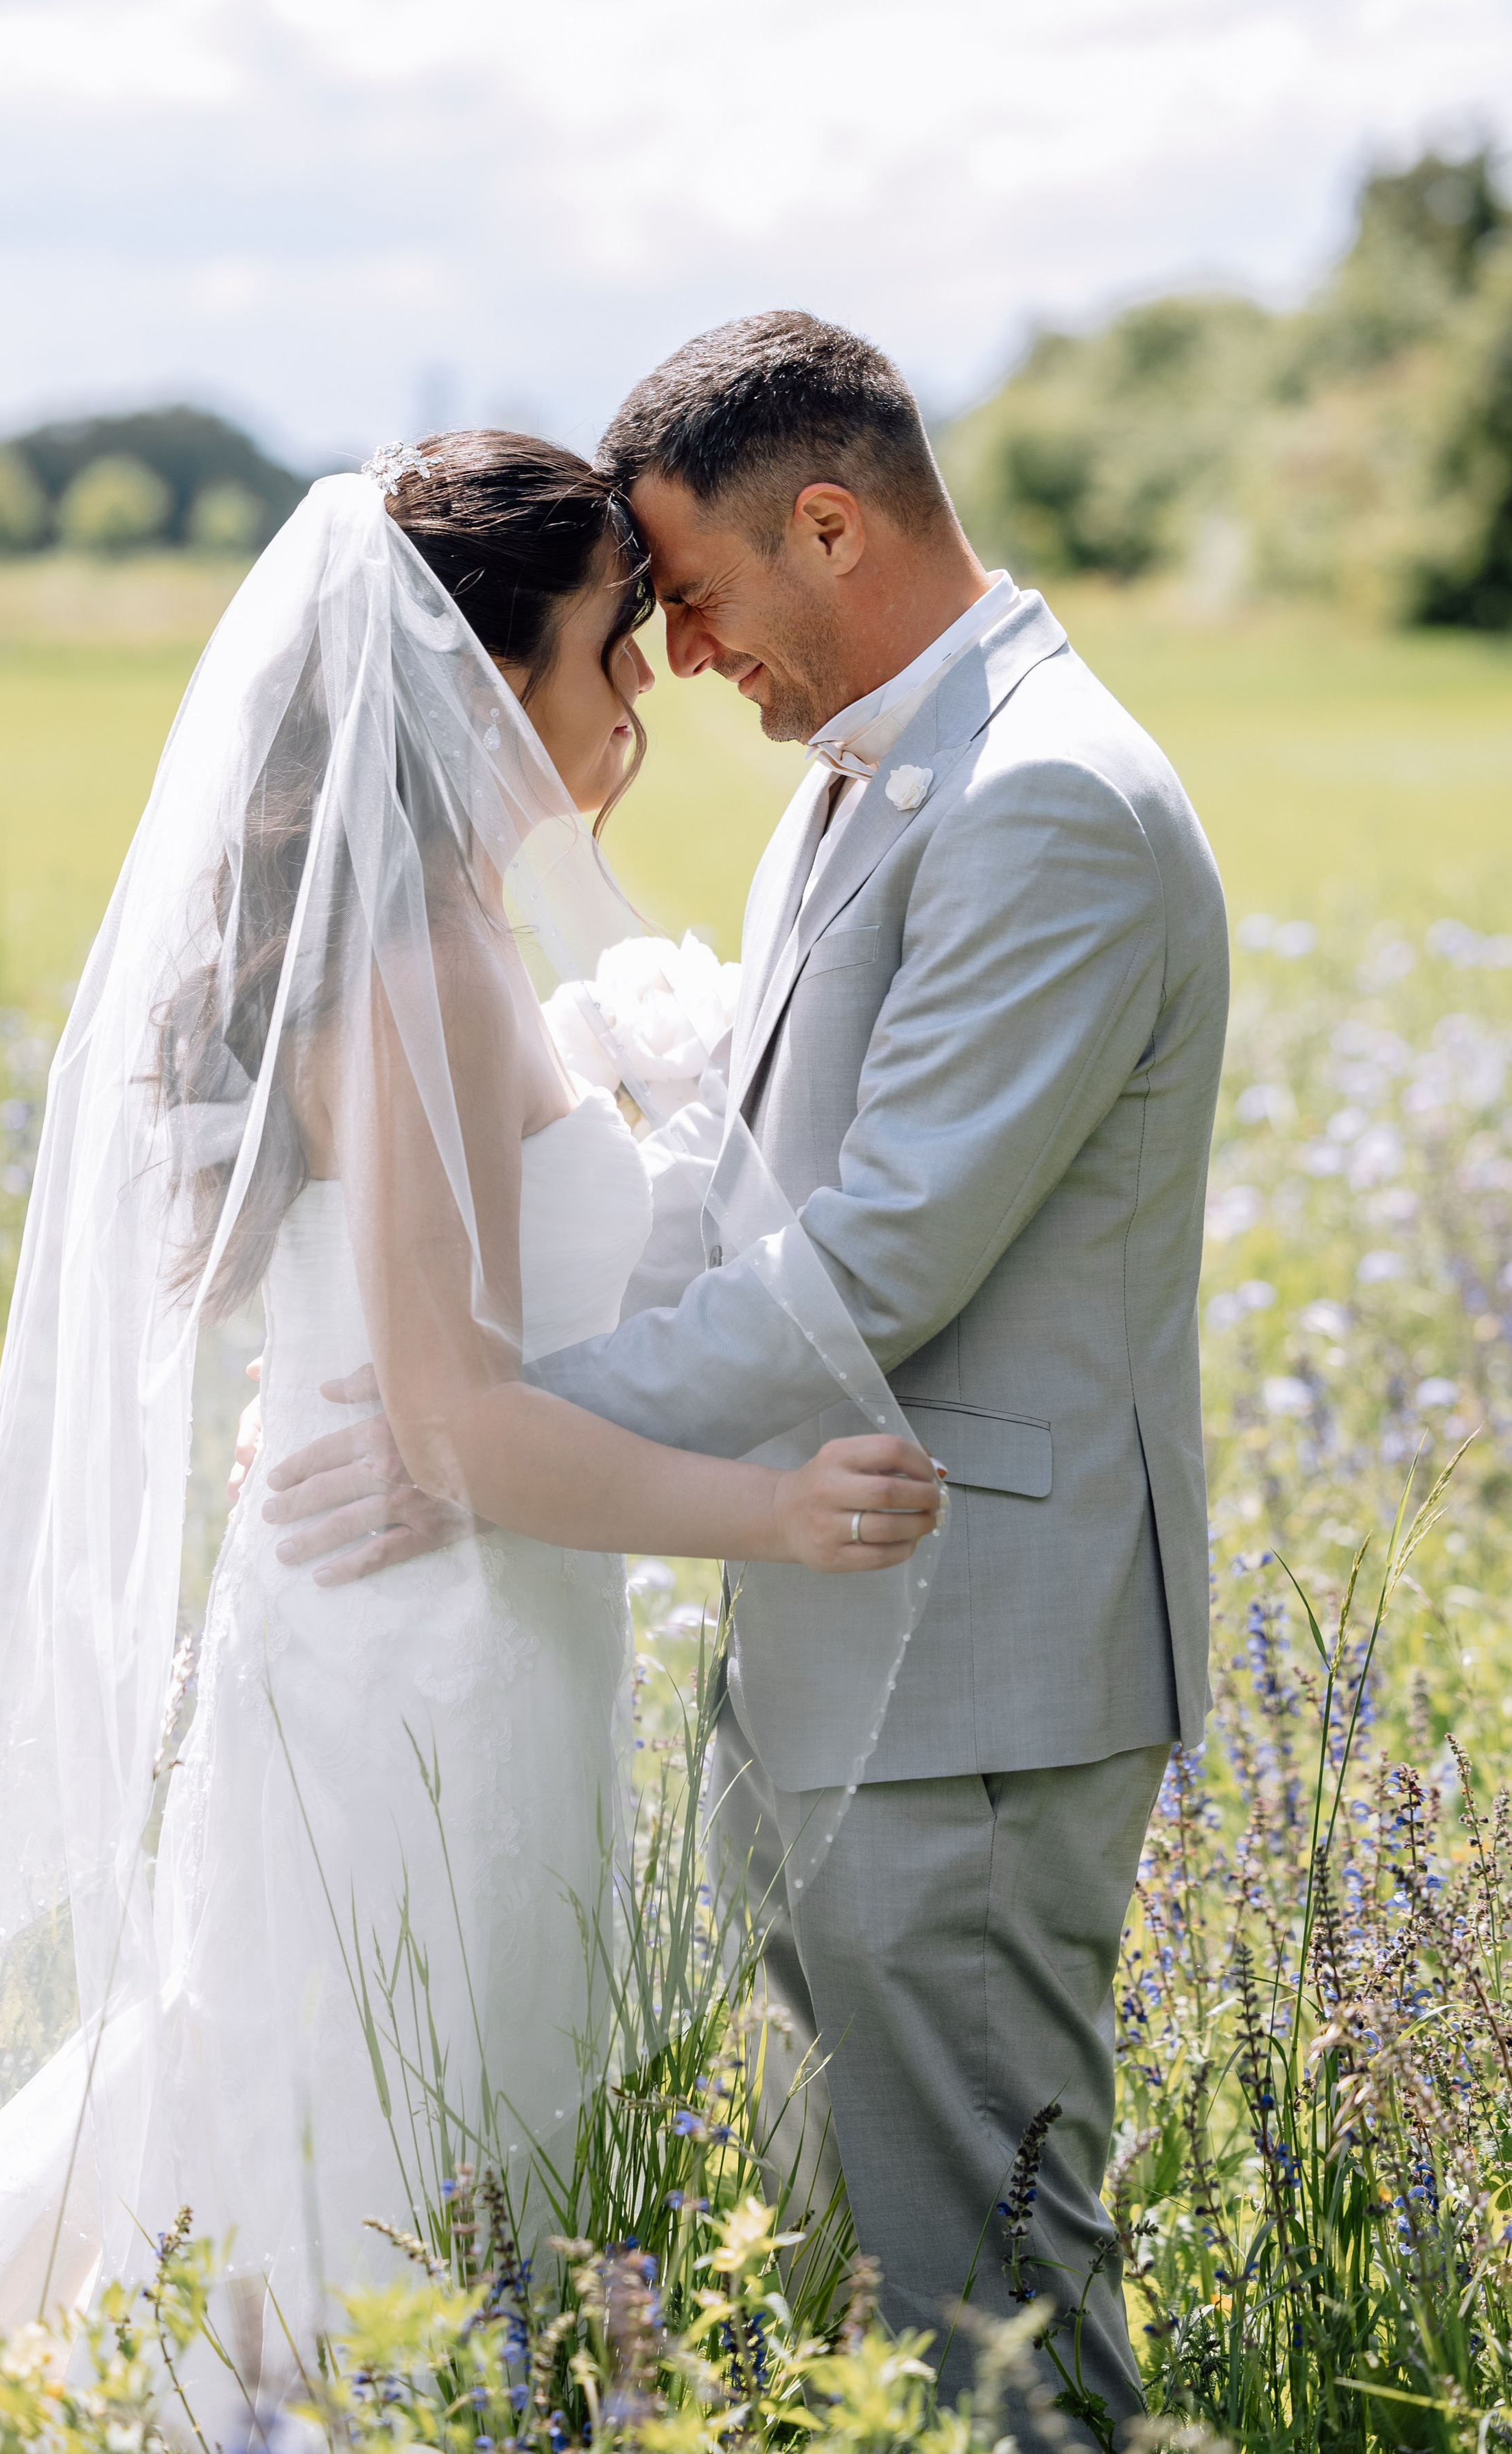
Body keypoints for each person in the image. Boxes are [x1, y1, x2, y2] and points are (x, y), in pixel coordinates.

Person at [0, 434, 941, 2420]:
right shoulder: (406, 970)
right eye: (604, 658)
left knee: (384, 2067)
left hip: (481, 1622)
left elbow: (450, 1354)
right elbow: (459, 1426)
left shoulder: (453, 938)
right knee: (347, 2083)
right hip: (410, 1646)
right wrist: (781, 1512)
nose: (638, 703)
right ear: (474, 686)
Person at [261, 320, 1230, 2447]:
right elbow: (727, 1189)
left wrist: (498, 1453)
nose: (679, 657)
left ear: (828, 521)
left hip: (975, 1651)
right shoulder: (856, 789)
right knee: (860, 2257)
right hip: (839, 1629)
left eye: (690, 595)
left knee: (989, 2277)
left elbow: (883, 1252)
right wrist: (491, 1425)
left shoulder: (1044, 800)